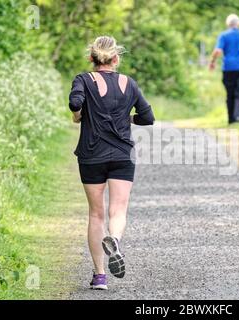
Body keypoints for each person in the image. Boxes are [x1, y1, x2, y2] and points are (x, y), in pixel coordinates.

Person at [69, 36, 155, 290]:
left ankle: (99, 276)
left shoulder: (83, 80)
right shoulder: (129, 83)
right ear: (116, 59)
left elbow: (75, 102)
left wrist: (78, 116)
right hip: (121, 155)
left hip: (91, 155)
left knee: (96, 214)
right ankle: (114, 240)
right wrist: (126, 119)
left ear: (91, 59)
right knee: (118, 210)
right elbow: (148, 117)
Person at [209, 14, 239, 124]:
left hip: (228, 68)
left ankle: (231, 119)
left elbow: (217, 51)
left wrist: (212, 62)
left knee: (230, 93)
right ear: (238, 24)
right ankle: (237, 117)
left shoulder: (223, 36)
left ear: (228, 24)